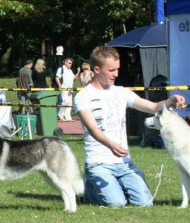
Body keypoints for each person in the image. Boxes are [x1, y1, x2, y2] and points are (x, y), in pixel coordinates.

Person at [74, 46, 185, 208]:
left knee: (145, 203)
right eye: (111, 70)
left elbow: (153, 107)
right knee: (116, 203)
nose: (116, 74)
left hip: (124, 163)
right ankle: (89, 188)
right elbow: (93, 129)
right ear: (96, 69)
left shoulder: (121, 92)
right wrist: (110, 144)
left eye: (117, 69)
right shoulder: (83, 97)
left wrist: (170, 101)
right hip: (98, 162)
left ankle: (119, 186)